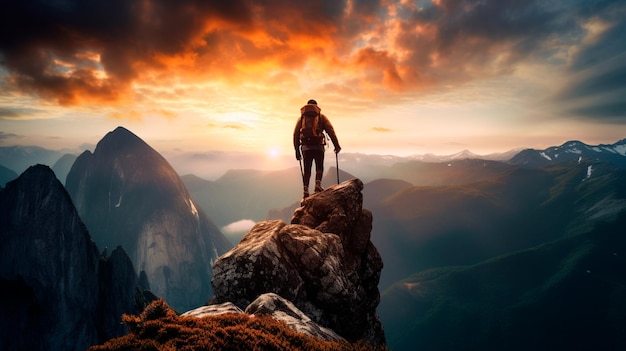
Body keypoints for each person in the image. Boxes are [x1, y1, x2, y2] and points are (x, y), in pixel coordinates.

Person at [293, 99, 341, 198]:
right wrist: (337, 145)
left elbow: (295, 134)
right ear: (317, 107)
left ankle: (305, 189)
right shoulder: (321, 117)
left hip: (306, 147)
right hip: (318, 146)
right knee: (319, 166)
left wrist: (297, 150)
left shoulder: (301, 119)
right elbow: (330, 131)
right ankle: (317, 185)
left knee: (307, 169)